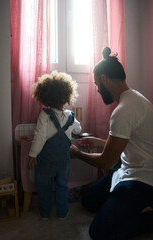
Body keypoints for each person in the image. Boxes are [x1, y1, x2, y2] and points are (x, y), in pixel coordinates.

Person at [70, 47, 153, 240]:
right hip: (126, 170)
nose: (97, 89)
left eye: (96, 83)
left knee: (99, 232)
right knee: (89, 201)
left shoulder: (123, 110)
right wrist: (98, 142)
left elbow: (106, 162)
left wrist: (76, 153)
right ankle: (128, 205)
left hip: (143, 180)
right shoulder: (135, 98)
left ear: (104, 79)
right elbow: (128, 142)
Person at [28, 71, 81, 220]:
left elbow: (39, 136)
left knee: (43, 187)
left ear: (45, 97)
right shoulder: (71, 116)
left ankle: (44, 214)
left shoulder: (44, 115)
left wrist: (32, 155)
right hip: (63, 161)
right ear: (67, 96)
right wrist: (73, 129)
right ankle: (62, 213)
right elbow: (78, 129)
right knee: (62, 186)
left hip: (45, 161)